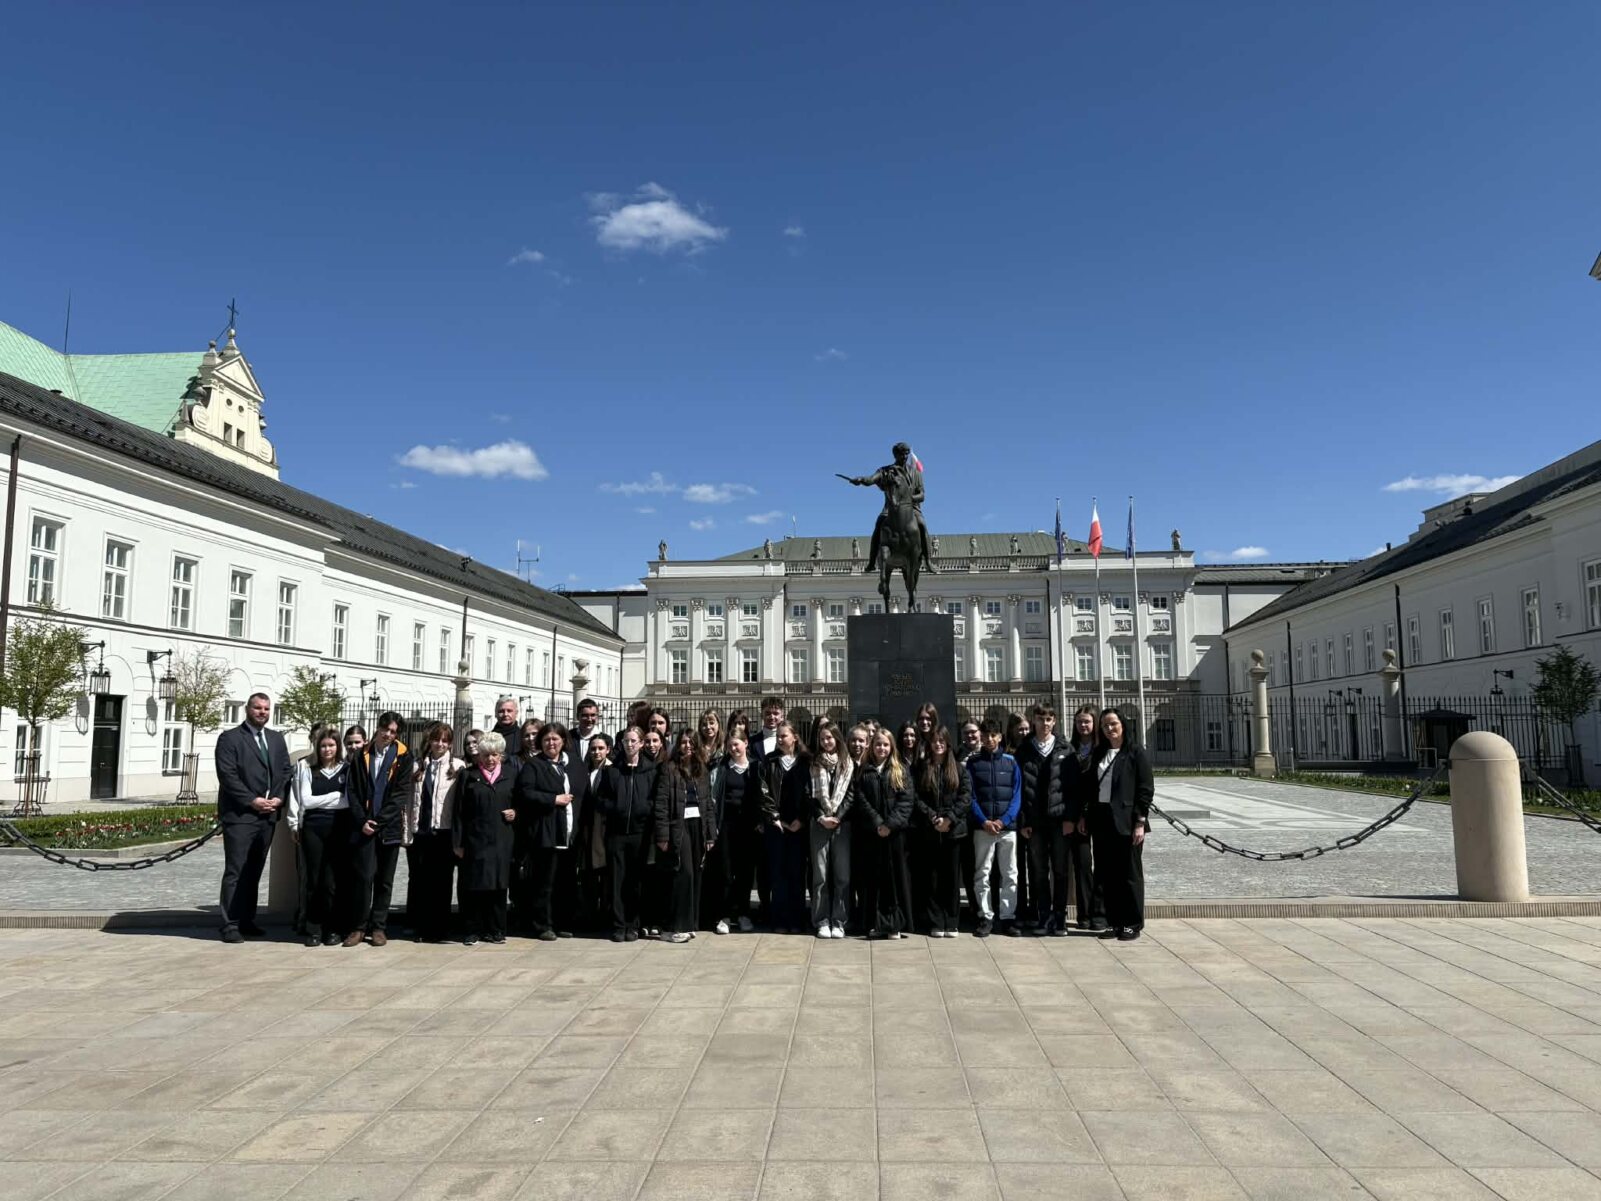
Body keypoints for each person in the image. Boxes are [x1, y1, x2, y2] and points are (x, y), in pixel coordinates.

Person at [214, 693, 293, 943]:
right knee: (236, 870)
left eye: (266, 708)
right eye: (258, 708)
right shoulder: (230, 739)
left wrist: (279, 797)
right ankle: (230, 924)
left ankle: (247, 919)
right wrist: (251, 800)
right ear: (247, 709)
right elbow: (227, 775)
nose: (262, 712)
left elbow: (285, 771)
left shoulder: (276, 739)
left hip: (268, 815)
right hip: (241, 815)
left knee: (254, 870)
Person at [1073, 708, 1152, 941]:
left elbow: (1145, 788)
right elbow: (1090, 788)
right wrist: (1084, 815)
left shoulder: (1135, 752)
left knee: (1129, 874)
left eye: (1113, 724)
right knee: (1107, 874)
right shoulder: (1100, 752)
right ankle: (1114, 921)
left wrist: (1140, 821)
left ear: (1123, 725)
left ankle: (1132, 923)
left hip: (1127, 822)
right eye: (1105, 725)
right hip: (1102, 820)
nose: (1109, 729)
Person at [342, 711, 415, 947]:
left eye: (393, 732)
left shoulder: (404, 756)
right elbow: (352, 791)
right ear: (378, 728)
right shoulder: (361, 754)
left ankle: (379, 927)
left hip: (388, 827)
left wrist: (380, 821)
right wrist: (362, 820)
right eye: (385, 729)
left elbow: (401, 794)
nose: (388, 734)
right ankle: (358, 927)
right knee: (363, 878)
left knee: (385, 880)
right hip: (364, 826)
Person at [516, 722, 582, 941]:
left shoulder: (573, 763)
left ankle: (564, 922)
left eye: (555, 739)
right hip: (546, 832)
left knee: (566, 881)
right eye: (546, 740)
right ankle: (543, 924)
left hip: (569, 833)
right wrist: (553, 799)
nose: (551, 743)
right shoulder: (534, 765)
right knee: (544, 882)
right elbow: (525, 793)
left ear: (563, 741)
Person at [453, 731, 519, 944]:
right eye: (486, 755)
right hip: (475, 841)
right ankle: (472, 929)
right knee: (474, 886)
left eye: (494, 755)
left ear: (501, 755)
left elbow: (521, 802)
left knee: (499, 887)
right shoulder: (468, 775)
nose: (490, 759)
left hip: (502, 839)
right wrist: (458, 842)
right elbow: (458, 811)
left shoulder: (511, 774)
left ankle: (496, 929)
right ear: (479, 755)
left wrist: (516, 812)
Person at [653, 730, 715, 944]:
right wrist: (662, 835)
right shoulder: (668, 769)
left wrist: (710, 834)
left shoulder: (701, 770)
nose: (687, 746)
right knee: (683, 872)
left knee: (696, 873)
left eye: (691, 742)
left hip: (698, 824)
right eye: (683, 742)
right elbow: (661, 803)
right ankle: (673, 927)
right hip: (678, 826)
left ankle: (690, 923)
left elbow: (708, 804)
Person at [289, 725, 348, 947]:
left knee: (331, 881)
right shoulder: (306, 767)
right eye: (323, 745)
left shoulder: (346, 768)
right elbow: (305, 799)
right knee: (313, 880)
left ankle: (332, 928)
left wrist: (324, 800)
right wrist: (334, 796)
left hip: (337, 829)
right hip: (312, 829)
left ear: (338, 746)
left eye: (331, 745)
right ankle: (313, 928)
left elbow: (347, 801)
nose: (327, 749)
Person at [595, 727, 656, 941]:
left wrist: (644, 810)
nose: (629, 745)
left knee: (636, 880)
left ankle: (633, 924)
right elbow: (600, 799)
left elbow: (655, 799)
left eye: (633, 741)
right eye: (625, 741)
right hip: (617, 833)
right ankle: (618, 925)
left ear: (641, 744)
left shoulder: (650, 770)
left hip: (640, 833)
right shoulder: (612, 770)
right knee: (616, 880)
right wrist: (616, 808)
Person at [1016, 703, 1071, 937]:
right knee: (1038, 871)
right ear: (1034, 721)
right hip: (1035, 821)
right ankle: (1044, 915)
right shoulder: (1024, 749)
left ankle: (1059, 917)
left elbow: (1073, 787)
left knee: (1060, 870)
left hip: (1059, 820)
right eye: (1040, 719)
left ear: (1054, 721)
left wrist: (1070, 818)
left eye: (1049, 719)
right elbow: (1018, 788)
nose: (1045, 723)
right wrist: (1023, 821)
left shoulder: (1065, 748)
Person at [853, 728, 913, 938]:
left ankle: (894, 924)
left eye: (886, 744)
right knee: (873, 880)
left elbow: (906, 801)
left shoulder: (900, 770)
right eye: (878, 744)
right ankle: (875, 923)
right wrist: (878, 823)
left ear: (891, 747)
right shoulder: (863, 771)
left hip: (895, 836)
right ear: (872, 746)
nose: (881, 748)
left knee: (894, 880)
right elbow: (860, 800)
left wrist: (890, 825)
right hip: (872, 834)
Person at [407, 722, 463, 943]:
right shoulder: (418, 765)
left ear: (449, 743)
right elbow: (410, 799)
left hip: (444, 831)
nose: (440, 744)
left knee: (442, 882)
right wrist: (407, 831)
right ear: (429, 741)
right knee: (420, 880)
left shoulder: (457, 766)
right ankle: (421, 926)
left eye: (444, 740)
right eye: (436, 739)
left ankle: (439, 928)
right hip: (421, 831)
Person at [967, 718, 1021, 938]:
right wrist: (984, 821)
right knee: (982, 873)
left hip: (1007, 828)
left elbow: (1017, 796)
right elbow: (970, 796)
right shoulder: (973, 763)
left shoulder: (1011, 762)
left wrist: (1003, 820)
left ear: (1000, 736)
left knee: (1010, 873)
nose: (989, 739)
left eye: (993, 735)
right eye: (985, 735)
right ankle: (985, 917)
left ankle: (1008, 917)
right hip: (983, 828)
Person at [913, 726, 969, 938]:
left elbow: (965, 797)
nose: (938, 744)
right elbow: (916, 797)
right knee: (933, 878)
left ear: (948, 744)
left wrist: (949, 819)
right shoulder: (923, 768)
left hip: (953, 831)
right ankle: (936, 921)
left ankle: (952, 921)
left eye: (942, 741)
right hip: (930, 830)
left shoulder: (959, 769)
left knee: (951, 878)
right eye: (934, 741)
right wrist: (932, 816)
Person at [756, 719, 809, 932]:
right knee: (778, 873)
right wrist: (774, 817)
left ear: (794, 737)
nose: (779, 739)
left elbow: (810, 792)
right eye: (778, 736)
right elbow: (763, 791)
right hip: (776, 825)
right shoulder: (770, 761)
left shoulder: (805, 761)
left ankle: (796, 920)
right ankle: (779, 920)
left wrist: (801, 819)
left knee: (796, 873)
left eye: (783, 735)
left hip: (798, 826)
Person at [1061, 705, 1107, 931]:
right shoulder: (1070, 750)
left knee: (1103, 864)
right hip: (1076, 814)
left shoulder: (1103, 750)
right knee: (1082, 864)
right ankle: (1084, 913)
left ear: (1095, 723)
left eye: (1087, 721)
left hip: (1098, 813)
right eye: (1079, 721)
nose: (1083, 725)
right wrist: (1076, 815)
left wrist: (1086, 813)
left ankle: (1100, 912)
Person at [807, 719, 855, 938]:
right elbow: (809, 795)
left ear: (837, 739)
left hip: (842, 825)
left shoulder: (848, 764)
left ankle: (839, 920)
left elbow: (851, 794)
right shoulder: (813, 763)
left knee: (842, 876)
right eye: (822, 738)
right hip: (819, 824)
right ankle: (821, 921)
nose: (826, 742)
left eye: (829, 738)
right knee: (820, 876)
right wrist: (821, 817)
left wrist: (837, 816)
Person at [711, 732, 756, 933]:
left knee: (745, 872)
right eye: (730, 745)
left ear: (746, 743)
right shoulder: (722, 768)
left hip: (748, 827)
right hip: (726, 826)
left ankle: (744, 914)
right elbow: (715, 796)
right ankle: (726, 916)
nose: (733, 749)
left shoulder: (755, 767)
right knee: (726, 872)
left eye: (736, 744)